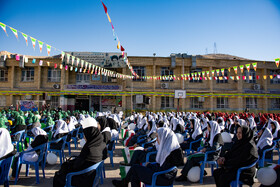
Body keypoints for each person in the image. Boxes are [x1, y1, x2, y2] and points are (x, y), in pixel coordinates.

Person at [112, 127, 184, 187]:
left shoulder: (168, 152)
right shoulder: (172, 149)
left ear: (163, 137)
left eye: (158, 137)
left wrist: (149, 165)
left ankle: (124, 183)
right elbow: (162, 166)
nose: (157, 139)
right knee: (135, 169)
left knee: (135, 169)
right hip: (164, 177)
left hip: (160, 178)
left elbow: (162, 168)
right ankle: (124, 183)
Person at [53, 115, 106, 187]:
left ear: (89, 134)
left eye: (85, 134)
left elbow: (76, 166)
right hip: (92, 176)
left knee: (58, 177)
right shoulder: (101, 143)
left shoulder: (89, 148)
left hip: (84, 178)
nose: (84, 136)